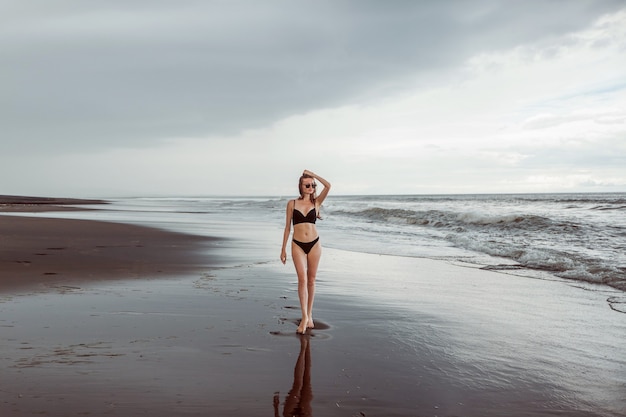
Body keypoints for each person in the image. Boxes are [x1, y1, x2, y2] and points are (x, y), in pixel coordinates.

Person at [281, 169, 331, 334]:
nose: (311, 187)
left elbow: (328, 185)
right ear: (301, 187)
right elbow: (287, 227)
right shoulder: (292, 204)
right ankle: (304, 317)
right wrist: (283, 249)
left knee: (311, 280)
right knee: (302, 280)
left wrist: (314, 175)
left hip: (315, 245)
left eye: (312, 185)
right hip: (297, 245)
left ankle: (309, 315)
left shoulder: (316, 203)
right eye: (307, 185)